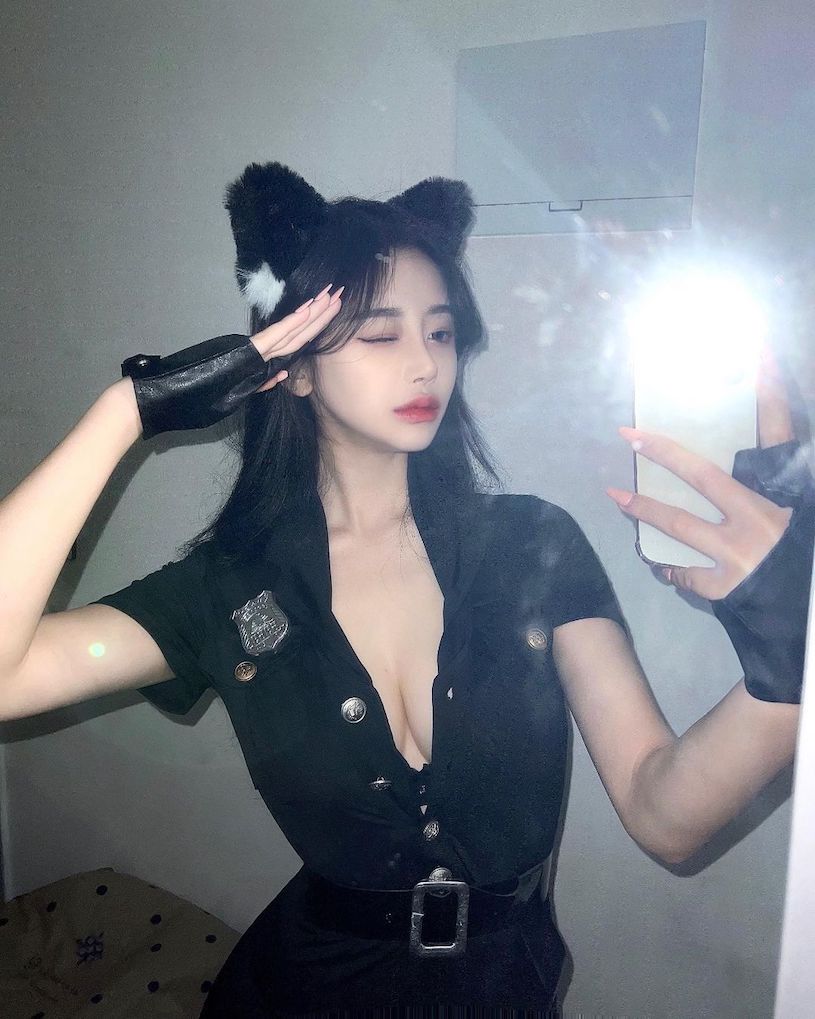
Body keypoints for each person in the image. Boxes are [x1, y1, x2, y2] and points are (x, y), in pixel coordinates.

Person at [0, 160, 811, 1017]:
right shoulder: (227, 588)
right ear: (294, 369)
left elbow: (664, 816)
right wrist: (127, 412)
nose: (425, 363)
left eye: (441, 331)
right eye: (381, 335)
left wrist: (787, 657)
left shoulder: (530, 545)